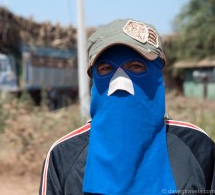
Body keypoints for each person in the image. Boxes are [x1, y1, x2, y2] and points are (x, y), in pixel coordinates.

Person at [39, 18, 215, 195]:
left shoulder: (197, 147)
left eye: (136, 66)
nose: (120, 82)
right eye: (106, 68)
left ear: (156, 74)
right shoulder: (63, 156)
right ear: (94, 78)